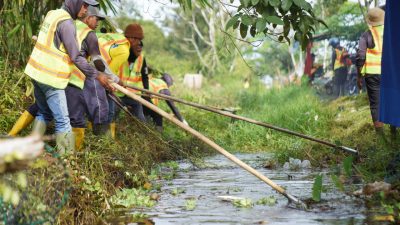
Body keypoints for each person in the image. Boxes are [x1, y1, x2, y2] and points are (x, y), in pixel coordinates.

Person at [24, 0, 113, 153]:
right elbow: (76, 57)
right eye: (84, 5)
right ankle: (68, 161)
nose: (86, 10)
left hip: (36, 72)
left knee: (44, 113)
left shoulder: (53, 15)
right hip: (51, 77)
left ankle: (31, 149)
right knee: (64, 122)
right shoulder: (67, 23)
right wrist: (97, 75)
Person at [356, 7, 387, 133]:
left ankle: (381, 137)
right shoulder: (392, 32)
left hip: (372, 74)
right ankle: (394, 132)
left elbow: (361, 56)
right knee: (392, 99)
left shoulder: (366, 35)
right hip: (390, 72)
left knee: (376, 104)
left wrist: (359, 76)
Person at [379, 0, 399, 137]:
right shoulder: (381, 31)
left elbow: (361, 55)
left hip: (379, 72)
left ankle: (392, 128)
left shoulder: (367, 35)